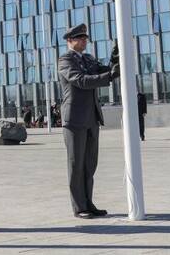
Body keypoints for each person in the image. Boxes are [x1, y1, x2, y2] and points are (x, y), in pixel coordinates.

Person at [58, 24, 119, 220]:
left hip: (91, 117)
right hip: (74, 118)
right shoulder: (65, 60)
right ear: (70, 40)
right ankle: (79, 207)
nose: (84, 41)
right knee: (76, 164)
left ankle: (88, 203)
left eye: (85, 38)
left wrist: (115, 59)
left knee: (90, 164)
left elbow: (104, 70)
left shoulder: (89, 58)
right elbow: (81, 80)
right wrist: (108, 75)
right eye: (80, 38)